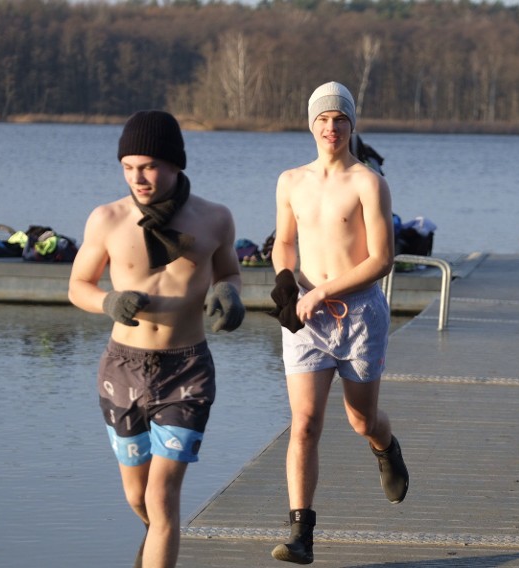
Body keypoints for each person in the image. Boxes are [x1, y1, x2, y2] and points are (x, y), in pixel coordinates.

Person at [68, 110, 245, 568]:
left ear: (174, 163)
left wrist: (229, 293)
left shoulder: (214, 218)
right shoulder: (107, 219)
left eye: (147, 166)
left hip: (186, 369)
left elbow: (229, 271)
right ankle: (155, 543)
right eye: (128, 167)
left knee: (162, 495)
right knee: (136, 494)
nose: (138, 177)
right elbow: (78, 286)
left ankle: (161, 543)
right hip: (122, 367)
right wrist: (107, 303)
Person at [267, 81, 409, 564]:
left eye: (340, 119)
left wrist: (325, 290)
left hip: (359, 315)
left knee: (360, 419)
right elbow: (284, 242)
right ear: (311, 123)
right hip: (306, 318)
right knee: (304, 424)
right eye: (323, 119)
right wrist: (287, 281)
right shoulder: (290, 181)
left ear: (351, 124)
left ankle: (385, 446)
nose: (332, 127)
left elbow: (383, 259)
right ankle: (300, 533)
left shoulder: (368, 182)